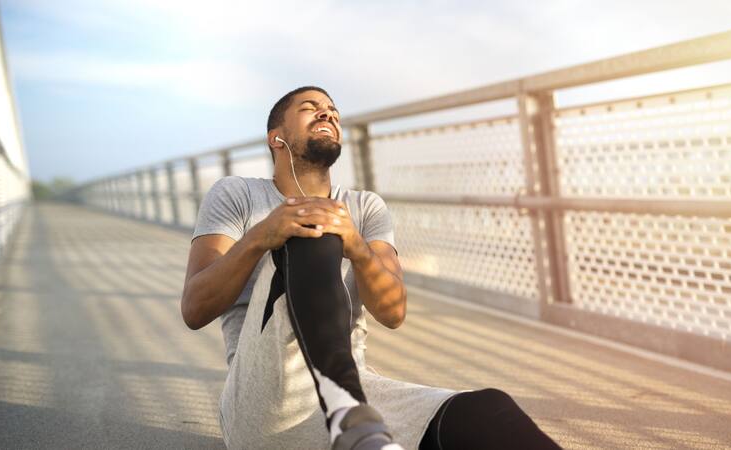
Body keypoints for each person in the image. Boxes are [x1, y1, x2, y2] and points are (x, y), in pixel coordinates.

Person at [181, 86, 562, 450]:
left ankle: (349, 413)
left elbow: (393, 313)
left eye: (332, 111)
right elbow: (195, 309)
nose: (327, 112)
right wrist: (263, 235)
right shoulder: (237, 194)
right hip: (265, 404)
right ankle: (344, 405)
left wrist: (358, 249)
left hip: (359, 400)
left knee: (485, 412)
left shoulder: (365, 207)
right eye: (309, 108)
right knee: (312, 222)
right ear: (276, 137)